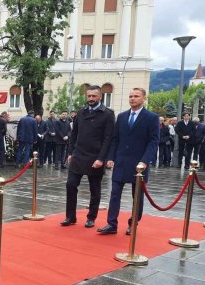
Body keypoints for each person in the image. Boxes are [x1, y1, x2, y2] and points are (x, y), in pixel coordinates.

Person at [98, 88, 159, 235]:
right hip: (121, 162)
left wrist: (144, 161)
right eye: (131, 96)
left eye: (136, 96)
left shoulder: (151, 117)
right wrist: (111, 157)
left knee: (136, 196)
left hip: (139, 165)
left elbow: (153, 141)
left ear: (144, 98)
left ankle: (133, 223)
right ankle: (111, 224)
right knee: (114, 194)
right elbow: (115, 139)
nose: (132, 98)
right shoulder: (122, 116)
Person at [61, 86, 114, 228]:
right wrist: (70, 153)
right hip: (78, 155)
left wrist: (101, 159)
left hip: (95, 157)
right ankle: (70, 216)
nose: (91, 98)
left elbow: (108, 139)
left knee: (94, 189)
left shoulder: (108, 114)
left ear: (100, 97)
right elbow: (74, 135)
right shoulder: (81, 112)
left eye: (94, 96)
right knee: (70, 185)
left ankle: (91, 217)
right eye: (89, 96)